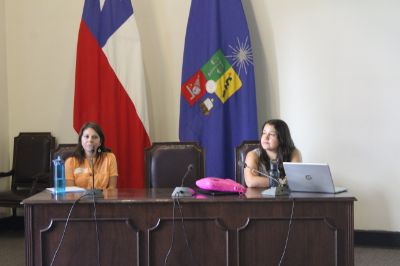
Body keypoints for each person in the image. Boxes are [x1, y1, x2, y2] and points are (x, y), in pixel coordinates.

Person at [244, 119, 301, 188]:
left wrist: (266, 182)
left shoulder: (293, 153)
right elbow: (251, 181)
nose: (265, 137)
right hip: (259, 196)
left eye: (272, 134)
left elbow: (296, 180)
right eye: (264, 133)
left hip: (285, 197)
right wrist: (281, 182)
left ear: (282, 138)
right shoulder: (253, 155)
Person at [65, 122, 118, 190]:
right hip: (78, 199)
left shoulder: (110, 158)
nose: (90, 140)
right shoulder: (70, 162)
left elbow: (112, 188)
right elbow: (71, 191)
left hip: (103, 198)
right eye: (86, 136)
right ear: (81, 140)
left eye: (95, 137)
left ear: (100, 142)